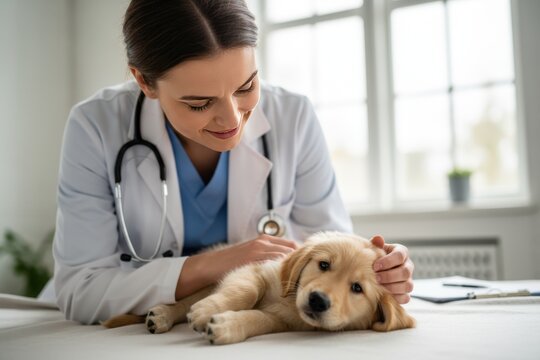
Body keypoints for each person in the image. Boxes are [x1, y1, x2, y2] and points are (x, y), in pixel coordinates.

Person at [49, 0, 414, 324]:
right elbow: (80, 291)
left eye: (246, 87)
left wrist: (383, 268)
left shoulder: (294, 116)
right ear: (145, 81)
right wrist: (215, 264)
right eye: (199, 103)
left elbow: (330, 244)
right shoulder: (95, 126)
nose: (232, 120)